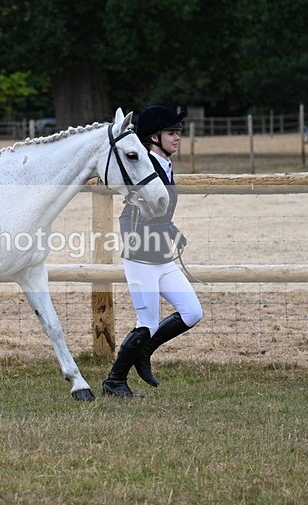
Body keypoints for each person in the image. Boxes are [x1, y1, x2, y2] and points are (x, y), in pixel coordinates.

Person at [102, 105, 203, 398]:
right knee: (145, 322)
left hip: (163, 257)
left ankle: (144, 353)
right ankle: (114, 381)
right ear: (153, 137)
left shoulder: (164, 165)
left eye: (177, 133)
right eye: (171, 133)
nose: (177, 138)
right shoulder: (142, 167)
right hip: (141, 257)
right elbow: (130, 213)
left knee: (192, 312)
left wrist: (170, 231)